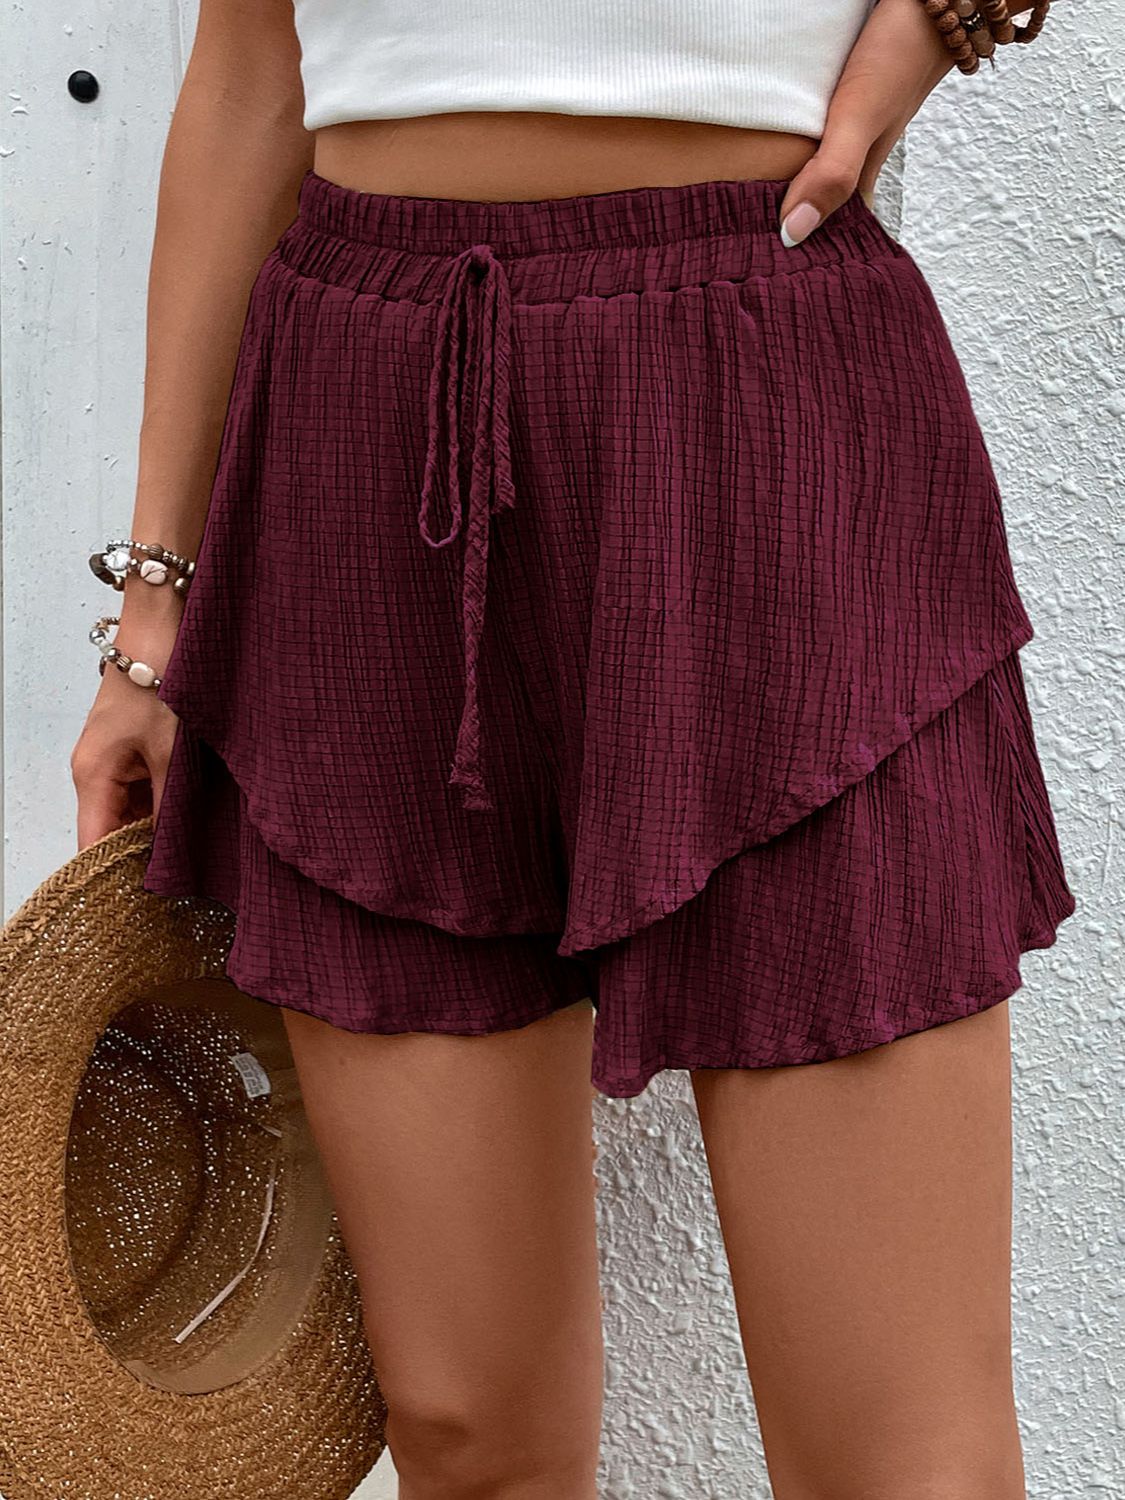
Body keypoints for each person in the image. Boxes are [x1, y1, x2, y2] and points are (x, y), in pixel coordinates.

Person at [72, 1, 1076, 1495]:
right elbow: (244, 78)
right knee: (467, 1432)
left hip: (760, 392)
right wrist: (155, 606)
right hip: (362, 426)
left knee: (897, 1458)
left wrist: (960, 10)